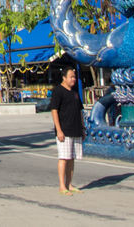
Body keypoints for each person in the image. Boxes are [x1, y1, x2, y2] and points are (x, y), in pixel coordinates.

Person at [50, 66, 84, 194]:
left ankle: (69, 184)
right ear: (64, 78)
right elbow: (54, 110)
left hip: (76, 129)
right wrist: (59, 130)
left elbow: (80, 111)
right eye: (71, 77)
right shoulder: (58, 91)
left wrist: (83, 127)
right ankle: (61, 186)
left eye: (74, 77)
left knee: (71, 159)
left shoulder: (75, 93)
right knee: (63, 158)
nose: (73, 79)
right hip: (64, 130)